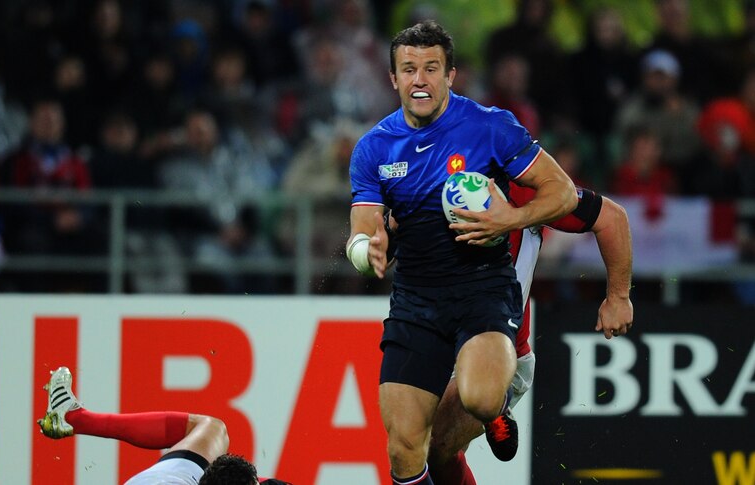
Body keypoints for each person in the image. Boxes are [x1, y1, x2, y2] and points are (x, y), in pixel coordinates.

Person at [346, 21, 578, 484]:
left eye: (431, 68)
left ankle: (494, 410)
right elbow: (360, 231)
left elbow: (564, 193)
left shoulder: (490, 127)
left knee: (480, 398)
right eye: (408, 69)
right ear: (393, 78)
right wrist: (364, 250)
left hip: (483, 292)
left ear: (450, 75)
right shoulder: (374, 148)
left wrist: (508, 219)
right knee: (404, 446)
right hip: (415, 302)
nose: (419, 79)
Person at [424, 185, 634, 484]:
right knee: (421, 452)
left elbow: (610, 216)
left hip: (499, 351)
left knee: (432, 445)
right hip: (432, 341)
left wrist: (618, 298)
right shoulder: (427, 169)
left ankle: (493, 401)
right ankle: (491, 407)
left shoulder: (524, 184)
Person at [37, 366, 291, 485]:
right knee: (213, 430)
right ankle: (74, 418)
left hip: (166, 478)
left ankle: (75, 418)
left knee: (212, 428)